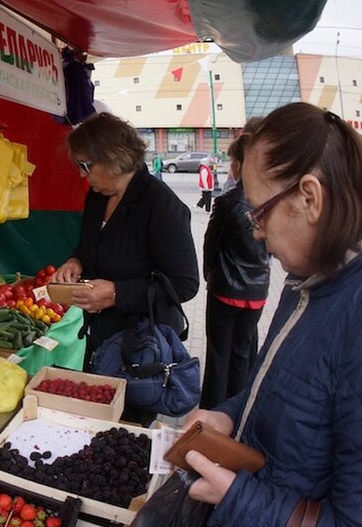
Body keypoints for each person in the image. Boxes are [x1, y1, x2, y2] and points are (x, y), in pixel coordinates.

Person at [184, 103, 362, 525]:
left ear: (309, 198)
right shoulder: (306, 281)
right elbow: (277, 387)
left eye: (259, 212)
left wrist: (236, 497)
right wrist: (228, 415)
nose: (257, 231)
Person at [50, 112, 199, 423]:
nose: (82, 175)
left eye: (85, 165)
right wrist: (75, 261)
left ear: (113, 158)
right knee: (96, 416)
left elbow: (185, 284)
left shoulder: (162, 206)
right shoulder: (96, 198)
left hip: (140, 350)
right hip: (100, 337)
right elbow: (90, 245)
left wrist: (117, 293)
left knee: (125, 429)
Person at [200, 133, 270, 409]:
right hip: (257, 292)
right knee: (242, 353)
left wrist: (209, 274)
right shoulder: (271, 200)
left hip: (225, 290)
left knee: (218, 355)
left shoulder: (228, 202)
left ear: (239, 164)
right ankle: (236, 410)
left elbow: (211, 244)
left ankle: (212, 410)